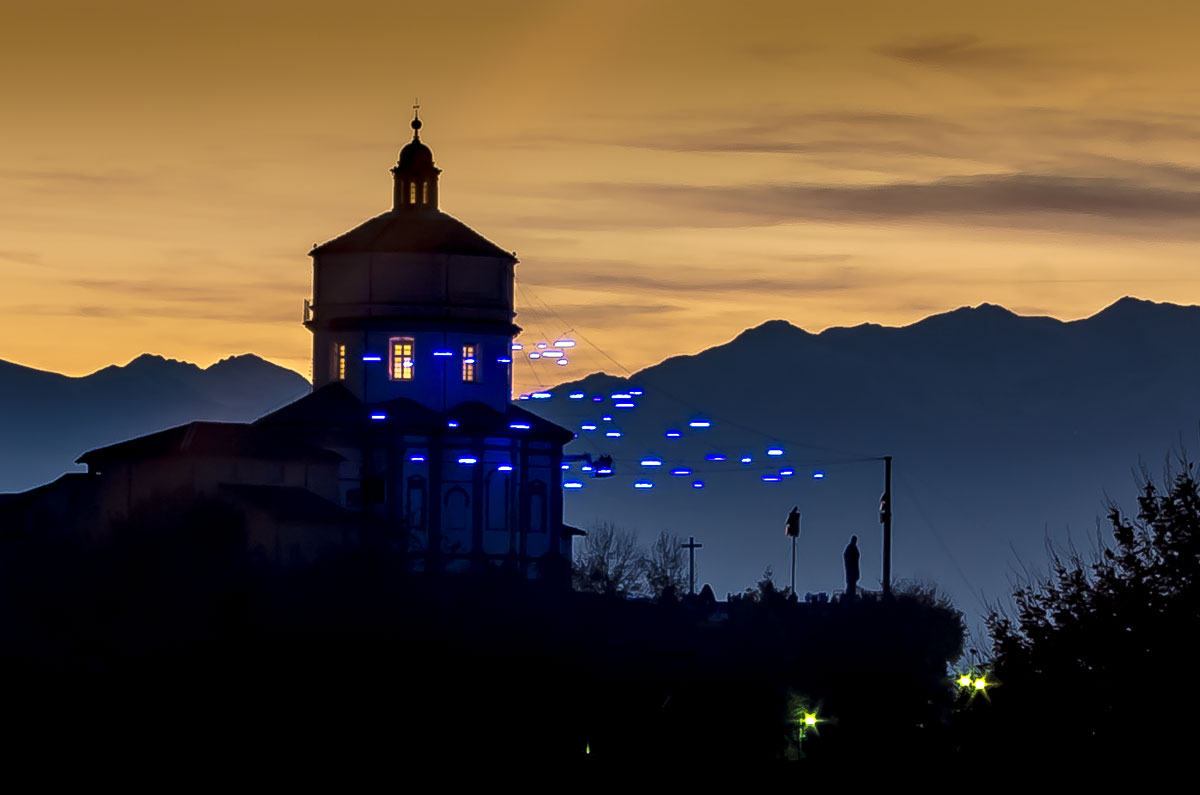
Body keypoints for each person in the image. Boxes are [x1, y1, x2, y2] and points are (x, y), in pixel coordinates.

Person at [843, 535, 860, 601]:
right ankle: (850, 596)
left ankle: (851, 595)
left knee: (852, 584)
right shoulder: (850, 548)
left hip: (854, 569)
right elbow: (846, 556)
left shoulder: (853, 548)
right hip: (851, 569)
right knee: (851, 584)